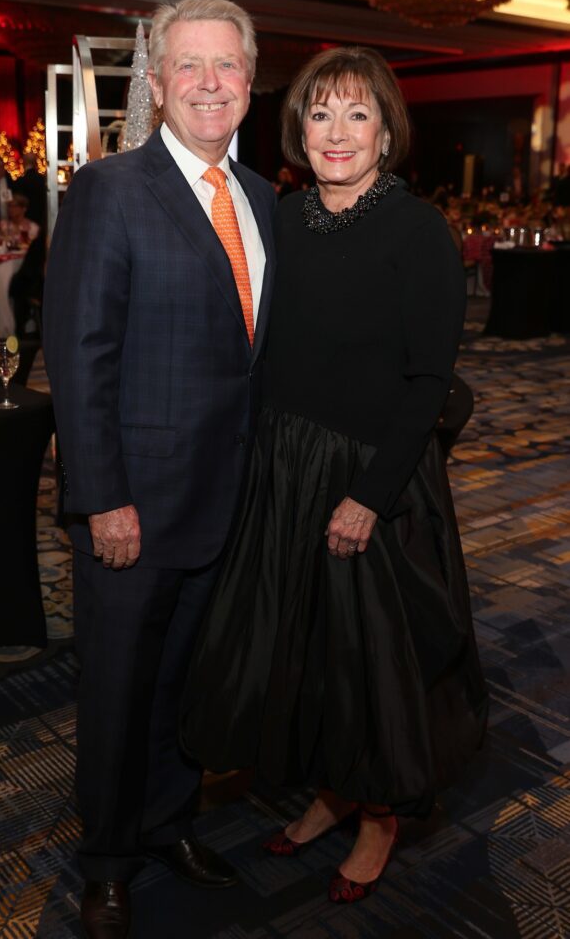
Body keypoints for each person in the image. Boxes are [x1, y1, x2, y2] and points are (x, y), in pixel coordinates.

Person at [182, 46, 488, 904]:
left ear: (386, 131)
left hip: (371, 473)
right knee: (303, 647)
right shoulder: (277, 216)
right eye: (321, 114)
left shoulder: (417, 229)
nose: (338, 132)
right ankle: (329, 791)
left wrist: (368, 495)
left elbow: (428, 382)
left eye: (358, 114)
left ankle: (380, 815)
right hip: (284, 465)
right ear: (298, 129)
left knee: (367, 663)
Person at [43, 0, 276, 939]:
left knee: (185, 684)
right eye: (191, 66)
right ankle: (106, 859)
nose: (210, 83)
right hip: (132, 512)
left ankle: (169, 822)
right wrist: (102, 498)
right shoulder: (111, 190)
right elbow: (79, 354)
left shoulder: (262, 197)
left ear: (251, 84)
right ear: (156, 82)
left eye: (228, 66)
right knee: (117, 689)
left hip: (226, 504)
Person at [16, 151, 47, 229]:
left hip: (25, 224)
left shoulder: (21, 181)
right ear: (35, 163)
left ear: (24, 162)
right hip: (41, 221)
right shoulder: (42, 180)